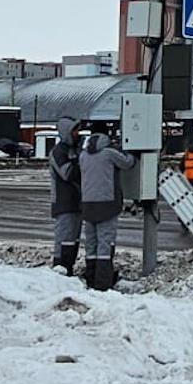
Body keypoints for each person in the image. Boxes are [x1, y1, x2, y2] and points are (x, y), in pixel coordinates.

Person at [78, 127, 135, 290]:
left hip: (87, 204)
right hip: (107, 204)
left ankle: (91, 277)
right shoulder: (109, 153)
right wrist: (128, 150)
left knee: (91, 244)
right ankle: (103, 282)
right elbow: (128, 162)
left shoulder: (83, 155)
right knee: (105, 243)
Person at [49, 116, 82, 274]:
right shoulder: (58, 152)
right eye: (75, 130)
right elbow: (67, 174)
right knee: (64, 240)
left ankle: (68, 268)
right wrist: (83, 163)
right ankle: (60, 268)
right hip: (64, 203)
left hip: (77, 203)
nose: (78, 133)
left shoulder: (75, 150)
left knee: (73, 240)